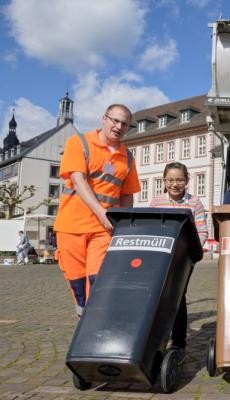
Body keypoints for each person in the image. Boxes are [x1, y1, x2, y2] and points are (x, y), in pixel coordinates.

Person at [54, 104, 140, 317]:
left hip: (104, 229)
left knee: (98, 277)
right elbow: (77, 179)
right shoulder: (79, 143)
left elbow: (127, 195)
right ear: (104, 119)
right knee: (76, 279)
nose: (118, 126)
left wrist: (124, 223)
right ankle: (83, 312)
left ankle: (94, 322)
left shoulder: (127, 157)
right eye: (115, 120)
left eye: (124, 124)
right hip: (71, 225)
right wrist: (100, 211)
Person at [150, 161, 208, 362]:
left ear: (187, 181)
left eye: (179, 180)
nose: (175, 184)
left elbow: (201, 231)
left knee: (178, 297)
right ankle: (155, 340)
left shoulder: (194, 203)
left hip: (183, 259)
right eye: (170, 180)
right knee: (157, 297)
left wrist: (192, 253)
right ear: (164, 181)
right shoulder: (156, 202)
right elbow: (153, 229)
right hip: (161, 259)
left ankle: (178, 342)